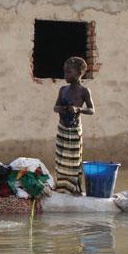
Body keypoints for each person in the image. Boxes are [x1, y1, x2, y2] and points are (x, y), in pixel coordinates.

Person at [52, 56, 95, 194]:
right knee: (61, 159)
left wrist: (78, 109)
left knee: (74, 160)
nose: (65, 75)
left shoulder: (84, 91)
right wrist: (61, 109)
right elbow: (55, 107)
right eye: (65, 72)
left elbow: (91, 110)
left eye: (69, 72)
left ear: (79, 73)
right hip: (63, 128)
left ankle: (75, 187)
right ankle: (62, 186)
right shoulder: (63, 90)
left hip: (74, 129)